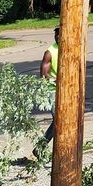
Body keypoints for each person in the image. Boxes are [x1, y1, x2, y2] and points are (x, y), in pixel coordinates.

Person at [32, 27, 59, 160]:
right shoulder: (50, 52)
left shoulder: (71, 47)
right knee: (58, 119)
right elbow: (44, 74)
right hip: (52, 89)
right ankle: (40, 147)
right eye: (56, 34)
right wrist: (56, 80)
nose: (57, 37)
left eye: (60, 34)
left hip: (68, 89)